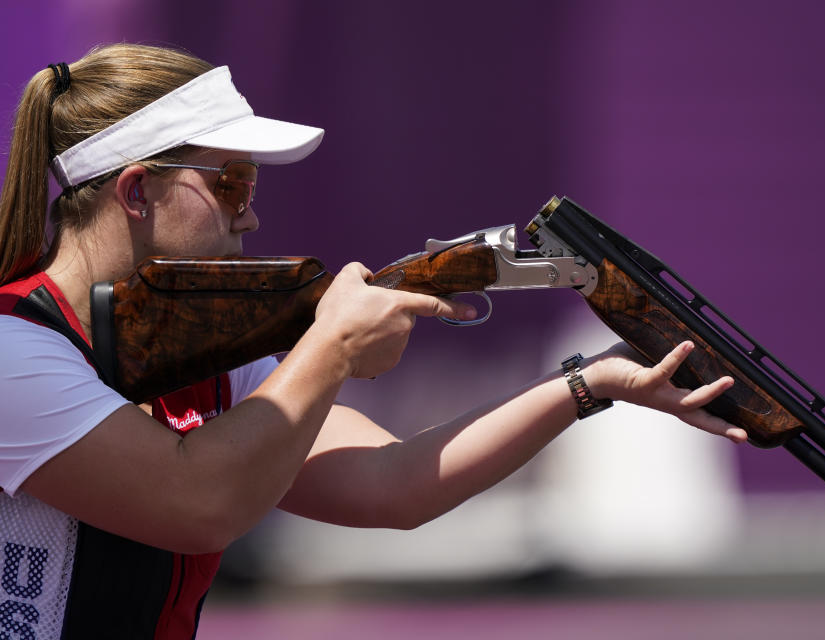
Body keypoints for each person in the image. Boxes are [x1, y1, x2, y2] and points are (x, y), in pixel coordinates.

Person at [0, 44, 746, 639]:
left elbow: (392, 484)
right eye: (231, 185)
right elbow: (198, 502)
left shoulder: (191, 360)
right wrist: (330, 349)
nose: (250, 219)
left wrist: (592, 382)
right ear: (135, 192)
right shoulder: (13, 350)